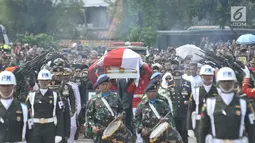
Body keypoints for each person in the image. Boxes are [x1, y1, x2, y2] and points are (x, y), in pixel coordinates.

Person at [199, 67, 255, 143]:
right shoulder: (209, 103)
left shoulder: (244, 104)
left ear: (234, 83)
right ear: (218, 83)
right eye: (223, 81)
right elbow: (203, 129)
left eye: (229, 81)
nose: (226, 84)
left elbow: (251, 129)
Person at [26, 69, 64, 143]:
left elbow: (60, 115)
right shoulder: (31, 95)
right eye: (42, 80)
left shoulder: (55, 95)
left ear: (49, 81)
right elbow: (27, 115)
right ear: (38, 81)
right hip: (35, 128)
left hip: (50, 128)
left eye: (46, 80)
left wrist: (59, 133)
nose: (44, 82)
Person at [86, 74, 127, 143]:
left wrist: (121, 117)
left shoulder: (116, 97)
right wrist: (93, 126)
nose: (105, 86)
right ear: (99, 86)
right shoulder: (94, 99)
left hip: (114, 129)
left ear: (110, 84)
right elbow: (89, 116)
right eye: (102, 85)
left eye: (106, 84)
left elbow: (122, 110)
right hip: (100, 131)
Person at [0, 71, 29, 142]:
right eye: (3, 85)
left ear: (14, 86)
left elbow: (30, 133)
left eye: (9, 85)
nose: (6, 88)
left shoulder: (23, 108)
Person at [190, 65, 218, 137]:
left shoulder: (218, 90)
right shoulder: (196, 91)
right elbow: (191, 109)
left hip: (215, 122)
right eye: (205, 75)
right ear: (201, 76)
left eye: (209, 76)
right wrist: (189, 128)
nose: (207, 78)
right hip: (200, 122)